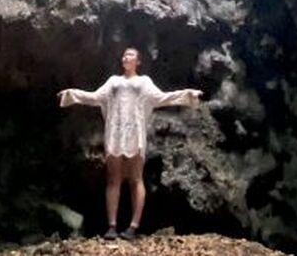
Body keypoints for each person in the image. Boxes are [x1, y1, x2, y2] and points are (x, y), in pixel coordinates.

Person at [57, 47, 203, 240]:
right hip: (115, 134)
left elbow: (163, 98)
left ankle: (133, 226)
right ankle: (112, 226)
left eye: (131, 55)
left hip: (135, 133)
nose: (126, 57)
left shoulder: (144, 82)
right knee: (113, 179)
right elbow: (94, 97)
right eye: (125, 55)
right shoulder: (113, 81)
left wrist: (189, 95)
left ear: (138, 61)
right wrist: (71, 94)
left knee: (135, 179)